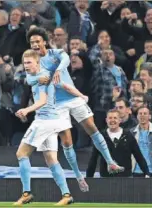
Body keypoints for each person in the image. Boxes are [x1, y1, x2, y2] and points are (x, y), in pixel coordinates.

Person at [26, 27, 124, 179]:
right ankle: (78, 175)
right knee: (66, 141)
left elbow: (66, 59)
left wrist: (58, 70)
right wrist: (38, 79)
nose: (35, 44)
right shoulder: (33, 63)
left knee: (91, 128)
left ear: (44, 42)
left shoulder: (56, 54)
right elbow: (29, 79)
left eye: (37, 41)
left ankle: (110, 162)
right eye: (32, 42)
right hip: (56, 105)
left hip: (72, 98)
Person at [14, 50, 73, 206]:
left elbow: (43, 101)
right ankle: (66, 195)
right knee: (51, 159)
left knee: (21, 154)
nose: (26, 66)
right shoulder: (35, 76)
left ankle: (26, 193)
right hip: (53, 121)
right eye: (24, 63)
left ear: (37, 62)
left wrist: (27, 110)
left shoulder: (43, 78)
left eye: (29, 62)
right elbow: (30, 80)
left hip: (44, 121)